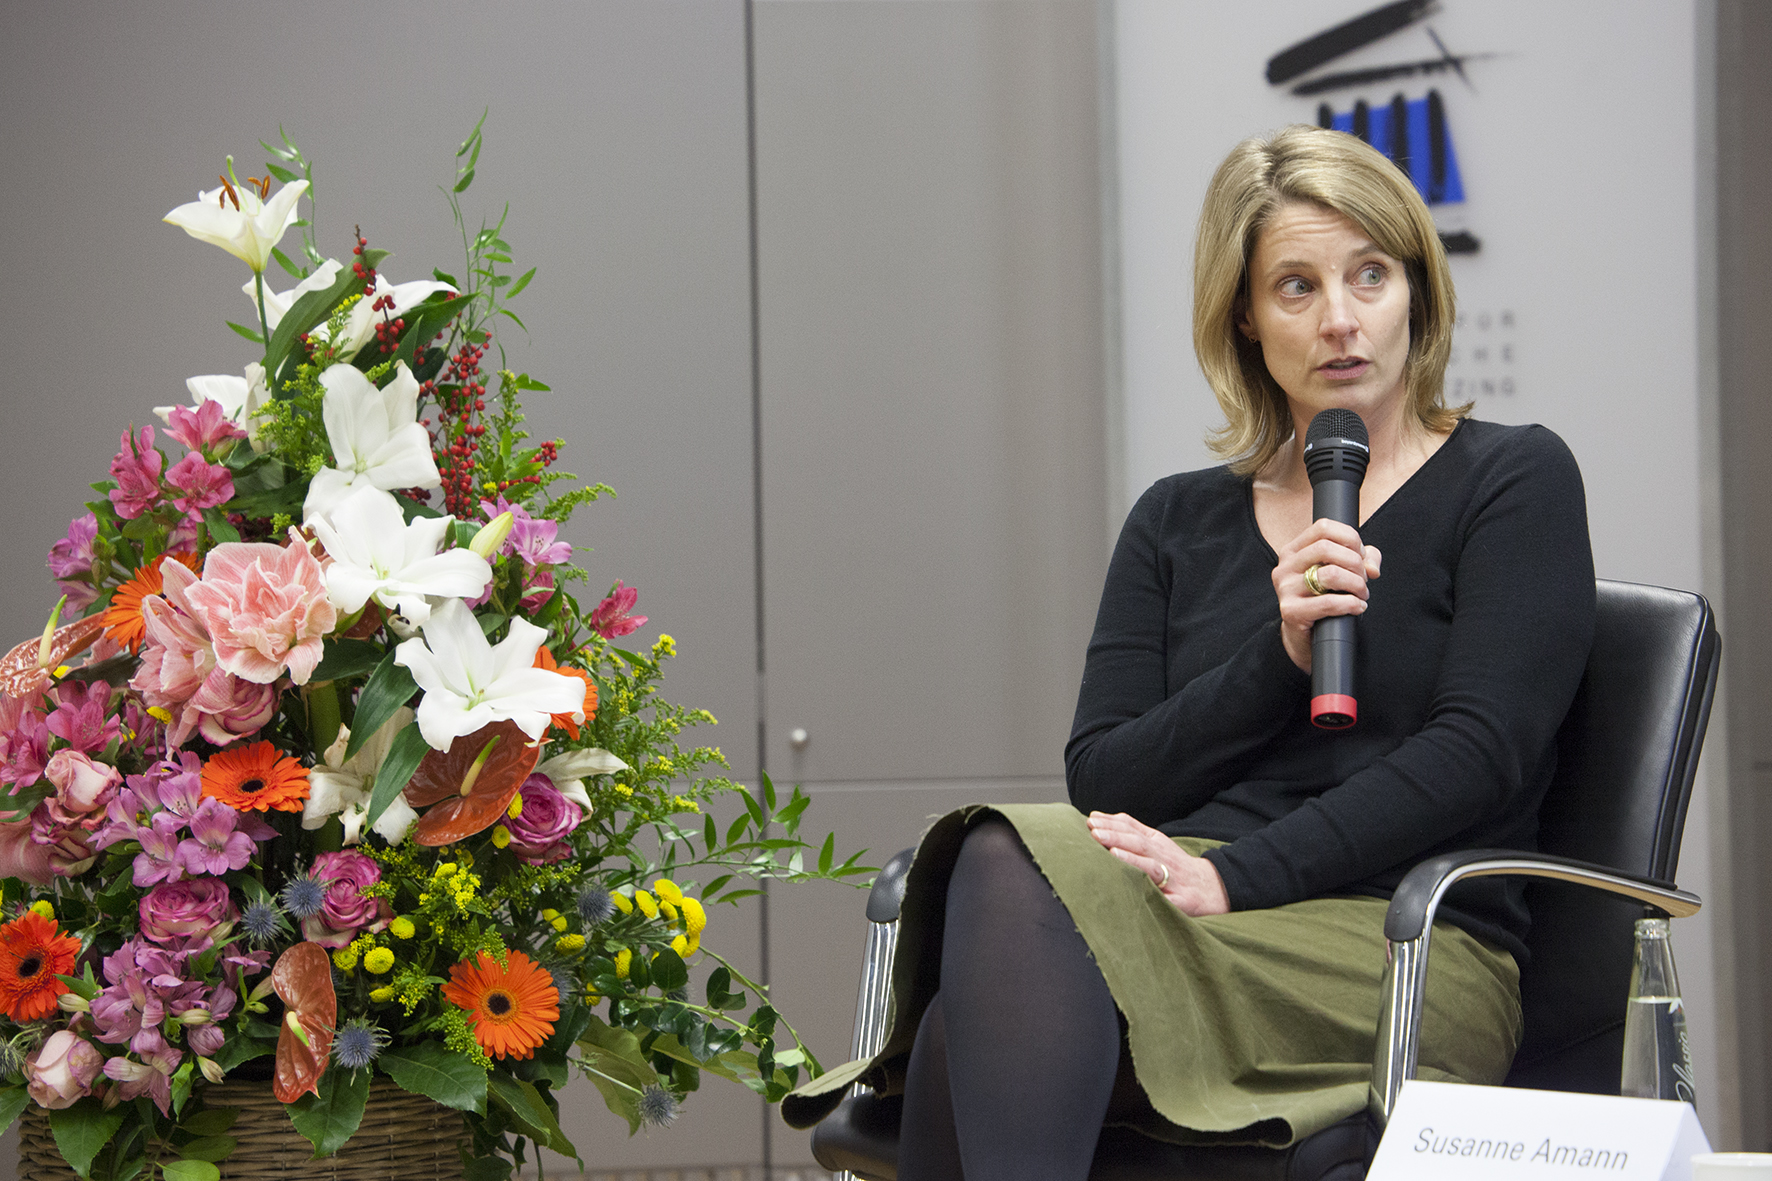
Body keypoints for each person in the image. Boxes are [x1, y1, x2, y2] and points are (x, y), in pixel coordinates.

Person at [781, 125, 1595, 1181]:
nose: (1339, 318)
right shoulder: (1175, 519)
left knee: (963, 1004)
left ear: (1416, 292)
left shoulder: (1512, 479)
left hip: (1400, 940)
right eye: (1296, 286)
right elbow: (1107, 777)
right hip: (1179, 920)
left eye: (1369, 275)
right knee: (995, 888)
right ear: (1244, 316)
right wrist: (1279, 655)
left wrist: (1236, 877)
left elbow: (1478, 754)